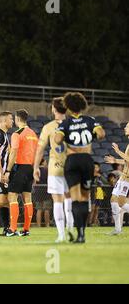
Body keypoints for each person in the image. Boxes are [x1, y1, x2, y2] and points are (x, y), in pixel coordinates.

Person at [55, 92, 105, 243]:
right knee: (84, 197)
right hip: (86, 161)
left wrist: (65, 136)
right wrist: (91, 135)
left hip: (72, 161)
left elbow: (57, 140)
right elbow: (101, 134)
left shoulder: (66, 123)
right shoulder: (90, 120)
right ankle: (82, 233)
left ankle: (78, 234)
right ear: (83, 106)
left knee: (75, 198)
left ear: (68, 107)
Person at [33, 97, 73, 242]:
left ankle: (61, 234)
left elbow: (40, 149)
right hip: (71, 167)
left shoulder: (49, 127)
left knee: (57, 201)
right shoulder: (73, 125)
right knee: (69, 198)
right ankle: (70, 230)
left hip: (55, 168)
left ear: (54, 109)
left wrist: (36, 167)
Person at [3, 109, 38, 237]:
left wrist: (8, 170)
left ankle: (12, 229)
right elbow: (36, 154)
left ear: (17, 119)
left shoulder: (17, 134)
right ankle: (26, 229)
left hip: (20, 167)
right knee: (27, 198)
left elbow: (14, 153)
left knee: (12, 196)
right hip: (30, 168)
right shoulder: (33, 134)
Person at [104, 122, 129, 235]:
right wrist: (115, 161)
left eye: (127, 126)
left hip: (127, 178)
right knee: (114, 200)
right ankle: (117, 229)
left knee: (121, 203)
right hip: (123, 177)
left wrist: (118, 151)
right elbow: (126, 161)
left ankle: (118, 229)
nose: (125, 128)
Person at [34, 159, 51, 228]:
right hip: (46, 190)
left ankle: (38, 225)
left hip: (38, 191)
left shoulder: (36, 171)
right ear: (43, 162)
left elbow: (35, 181)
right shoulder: (47, 170)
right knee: (46, 209)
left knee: (39, 209)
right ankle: (47, 225)